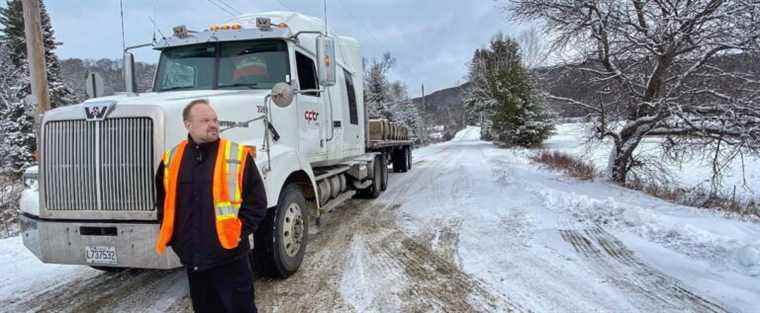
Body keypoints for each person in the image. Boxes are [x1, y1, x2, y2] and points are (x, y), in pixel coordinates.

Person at [155, 99, 268, 313]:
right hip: (194, 260)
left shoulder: (237, 155)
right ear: (188, 125)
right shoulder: (171, 159)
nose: (213, 124)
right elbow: (164, 203)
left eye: (214, 119)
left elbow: (257, 202)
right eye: (205, 120)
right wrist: (178, 241)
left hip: (230, 257)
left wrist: (238, 232)